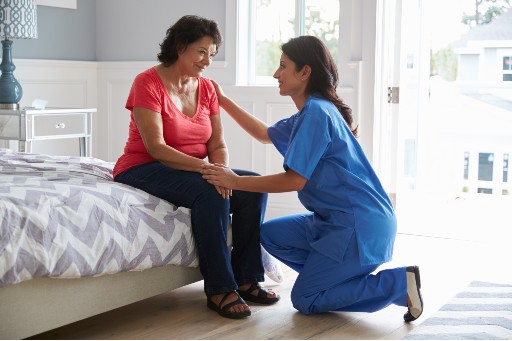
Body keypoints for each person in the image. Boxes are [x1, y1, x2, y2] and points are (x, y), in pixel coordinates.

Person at [201, 35, 424, 322]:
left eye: (283, 66)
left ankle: (396, 284)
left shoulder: (317, 114)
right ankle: (334, 276)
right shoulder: (311, 111)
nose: (276, 74)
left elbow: (294, 180)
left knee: (305, 298)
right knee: (270, 234)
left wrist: (235, 181)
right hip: (334, 222)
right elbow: (263, 133)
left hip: (357, 225)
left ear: (304, 72)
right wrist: (221, 99)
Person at [113, 15, 279, 320]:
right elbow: (156, 148)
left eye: (212, 54)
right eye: (201, 52)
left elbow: (217, 144)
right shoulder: (147, 82)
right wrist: (208, 171)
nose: (207, 61)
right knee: (210, 193)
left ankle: (246, 277)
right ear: (180, 47)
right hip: (144, 166)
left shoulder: (207, 88)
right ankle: (219, 288)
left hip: (194, 168)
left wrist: (224, 171)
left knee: (252, 186)